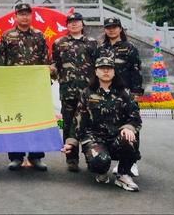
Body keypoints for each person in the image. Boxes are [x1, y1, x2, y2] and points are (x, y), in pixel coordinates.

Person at [62, 57, 142, 192]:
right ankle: (101, 171)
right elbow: (78, 120)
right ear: (96, 72)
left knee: (129, 138)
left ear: (114, 72)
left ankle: (123, 174)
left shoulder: (124, 93)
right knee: (100, 162)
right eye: (102, 68)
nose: (106, 71)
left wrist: (128, 128)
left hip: (116, 137)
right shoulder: (87, 93)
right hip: (95, 139)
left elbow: (135, 116)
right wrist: (71, 142)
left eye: (109, 68)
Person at [0, 2, 49, 171]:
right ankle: (16, 156)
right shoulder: (7, 36)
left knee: (36, 120)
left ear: (31, 16)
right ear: (15, 16)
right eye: (21, 14)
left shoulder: (39, 35)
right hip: (14, 87)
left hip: (34, 87)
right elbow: (1, 62)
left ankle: (36, 156)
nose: (24, 17)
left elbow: (44, 60)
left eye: (27, 14)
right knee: (16, 120)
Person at [96, 17, 143, 177]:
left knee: (131, 127)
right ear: (105, 30)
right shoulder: (101, 49)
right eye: (108, 27)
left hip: (126, 94)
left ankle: (132, 161)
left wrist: (136, 93)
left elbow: (136, 71)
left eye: (115, 27)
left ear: (120, 29)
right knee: (109, 127)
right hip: (107, 94)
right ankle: (114, 160)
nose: (111, 30)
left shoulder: (130, 48)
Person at [51, 12, 97, 172]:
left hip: (89, 93)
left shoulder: (92, 43)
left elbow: (99, 66)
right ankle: (71, 159)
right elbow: (54, 64)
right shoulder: (59, 43)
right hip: (68, 92)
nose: (74, 24)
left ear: (82, 24)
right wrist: (51, 70)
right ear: (67, 25)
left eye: (77, 21)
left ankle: (92, 156)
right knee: (68, 124)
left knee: (88, 125)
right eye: (70, 22)